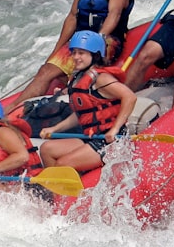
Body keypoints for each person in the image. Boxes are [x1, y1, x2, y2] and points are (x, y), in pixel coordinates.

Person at [12, 0, 135, 108]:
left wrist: (95, 43)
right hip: (80, 39)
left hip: (107, 41)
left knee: (81, 75)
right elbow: (72, 17)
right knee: (45, 71)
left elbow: (114, 14)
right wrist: (56, 50)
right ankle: (8, 113)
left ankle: (71, 90)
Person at [37, 31, 138, 174]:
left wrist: (115, 129)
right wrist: (54, 129)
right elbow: (82, 114)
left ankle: (65, 193)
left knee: (62, 164)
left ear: (95, 55)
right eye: (74, 53)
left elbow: (130, 97)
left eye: (81, 53)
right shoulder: (78, 78)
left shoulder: (101, 78)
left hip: (110, 141)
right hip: (91, 136)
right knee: (47, 149)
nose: (76, 57)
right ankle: (58, 194)